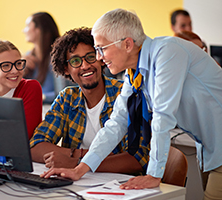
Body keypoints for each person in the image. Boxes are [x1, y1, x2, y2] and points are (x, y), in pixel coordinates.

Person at [41, 9, 222, 200]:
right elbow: (116, 124)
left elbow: (162, 117)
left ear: (127, 44)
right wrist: (80, 169)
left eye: (102, 48)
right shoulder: (134, 74)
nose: (100, 57)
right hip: (209, 149)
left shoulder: (167, 52)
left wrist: (153, 175)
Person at [30, 27, 149, 174]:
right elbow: (36, 146)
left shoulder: (127, 94)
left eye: (90, 57)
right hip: (76, 185)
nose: (85, 66)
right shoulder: (67, 98)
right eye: (75, 61)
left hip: (121, 187)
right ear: (66, 69)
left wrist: (76, 164)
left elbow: (138, 159)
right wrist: (78, 155)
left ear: (101, 59)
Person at [23, 12, 60, 103]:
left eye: (28, 26)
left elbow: (61, 91)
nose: (23, 30)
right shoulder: (28, 56)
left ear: (38, 29)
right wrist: (21, 70)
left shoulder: (58, 57)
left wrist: (39, 97)